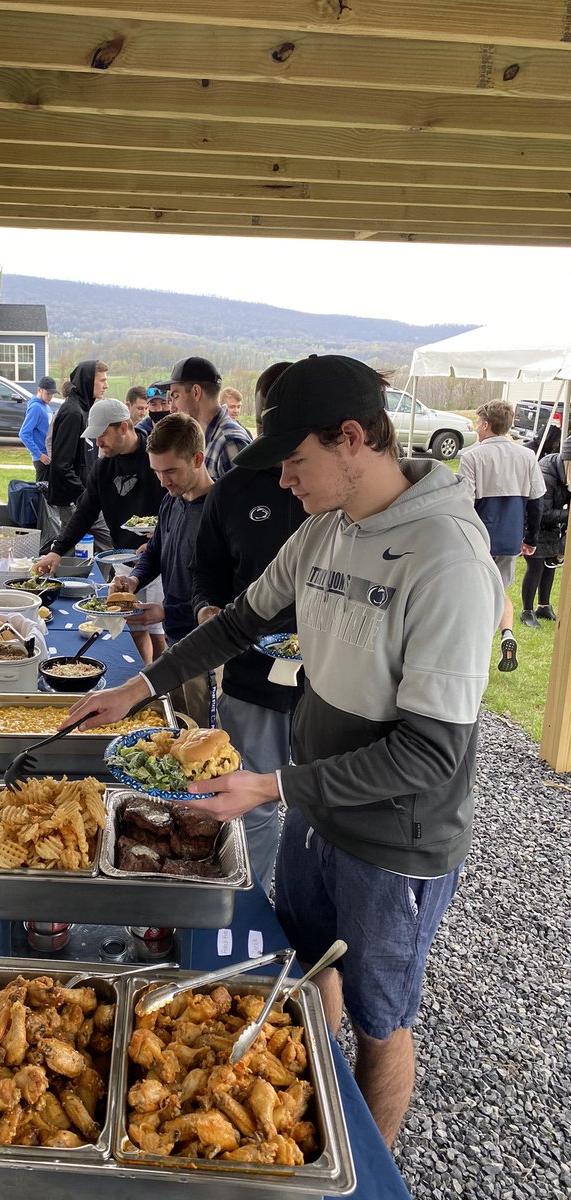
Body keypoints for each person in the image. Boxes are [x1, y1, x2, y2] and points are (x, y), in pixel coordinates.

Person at [65, 353, 504, 1150]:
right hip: (311, 808)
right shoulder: (326, 530)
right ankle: (309, 1120)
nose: (285, 482)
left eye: (295, 462)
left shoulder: (448, 559)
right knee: (308, 967)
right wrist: (137, 691)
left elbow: (431, 755)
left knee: (382, 1021)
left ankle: (364, 1167)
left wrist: (271, 786)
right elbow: (238, 623)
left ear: (351, 440)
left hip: (394, 839)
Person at [192, 363, 305, 892]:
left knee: (315, 809)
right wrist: (206, 608)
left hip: (328, 690)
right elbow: (206, 571)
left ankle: (303, 909)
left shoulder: (348, 503)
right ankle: (253, 899)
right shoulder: (234, 489)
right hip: (252, 674)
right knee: (249, 799)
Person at [33, 398, 165, 663]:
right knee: (133, 626)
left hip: (160, 559)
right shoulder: (104, 466)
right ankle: (144, 674)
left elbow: (177, 500)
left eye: (103, 435)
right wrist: (57, 551)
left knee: (158, 630)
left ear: (124, 427)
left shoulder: (155, 455)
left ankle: (164, 687)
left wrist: (161, 535)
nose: (98, 443)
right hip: (124, 559)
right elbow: (85, 511)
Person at [109, 413, 215, 721]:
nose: (163, 481)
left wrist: (168, 612)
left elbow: (226, 596)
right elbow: (156, 551)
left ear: (198, 458)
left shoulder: (218, 512)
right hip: (174, 643)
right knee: (175, 724)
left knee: (198, 733)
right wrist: (134, 579)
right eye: (157, 472)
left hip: (205, 651)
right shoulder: (172, 499)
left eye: (171, 471)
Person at [456, 399, 545, 671]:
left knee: (474, 593)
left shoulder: (472, 456)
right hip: (509, 537)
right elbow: (537, 501)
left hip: (479, 536)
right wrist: (530, 538)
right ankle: (507, 633)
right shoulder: (527, 456)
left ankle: (476, 645)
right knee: (501, 589)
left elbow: (465, 501)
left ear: (484, 424)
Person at [41, 359, 112, 554]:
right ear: (88, 380)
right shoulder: (73, 412)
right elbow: (61, 464)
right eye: (102, 380)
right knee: (72, 549)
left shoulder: (83, 409)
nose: (106, 385)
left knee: (72, 548)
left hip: (84, 493)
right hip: (74, 497)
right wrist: (83, 495)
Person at [159, 356, 252, 478]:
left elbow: (244, 497)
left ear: (196, 392)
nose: (172, 409)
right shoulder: (204, 437)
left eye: (176, 396)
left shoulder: (229, 443)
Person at [519, 449, 569, 625]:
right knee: (536, 566)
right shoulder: (547, 475)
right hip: (532, 523)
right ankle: (526, 611)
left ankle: (543, 606)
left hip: (550, 525)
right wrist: (568, 515)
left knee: (550, 564)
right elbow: (543, 512)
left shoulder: (564, 475)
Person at [20, 375, 59, 481]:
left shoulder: (46, 406)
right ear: (39, 390)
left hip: (49, 455)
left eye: (52, 394)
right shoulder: (35, 408)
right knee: (41, 493)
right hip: (42, 459)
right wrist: (39, 455)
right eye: (48, 393)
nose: (50, 396)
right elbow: (24, 434)